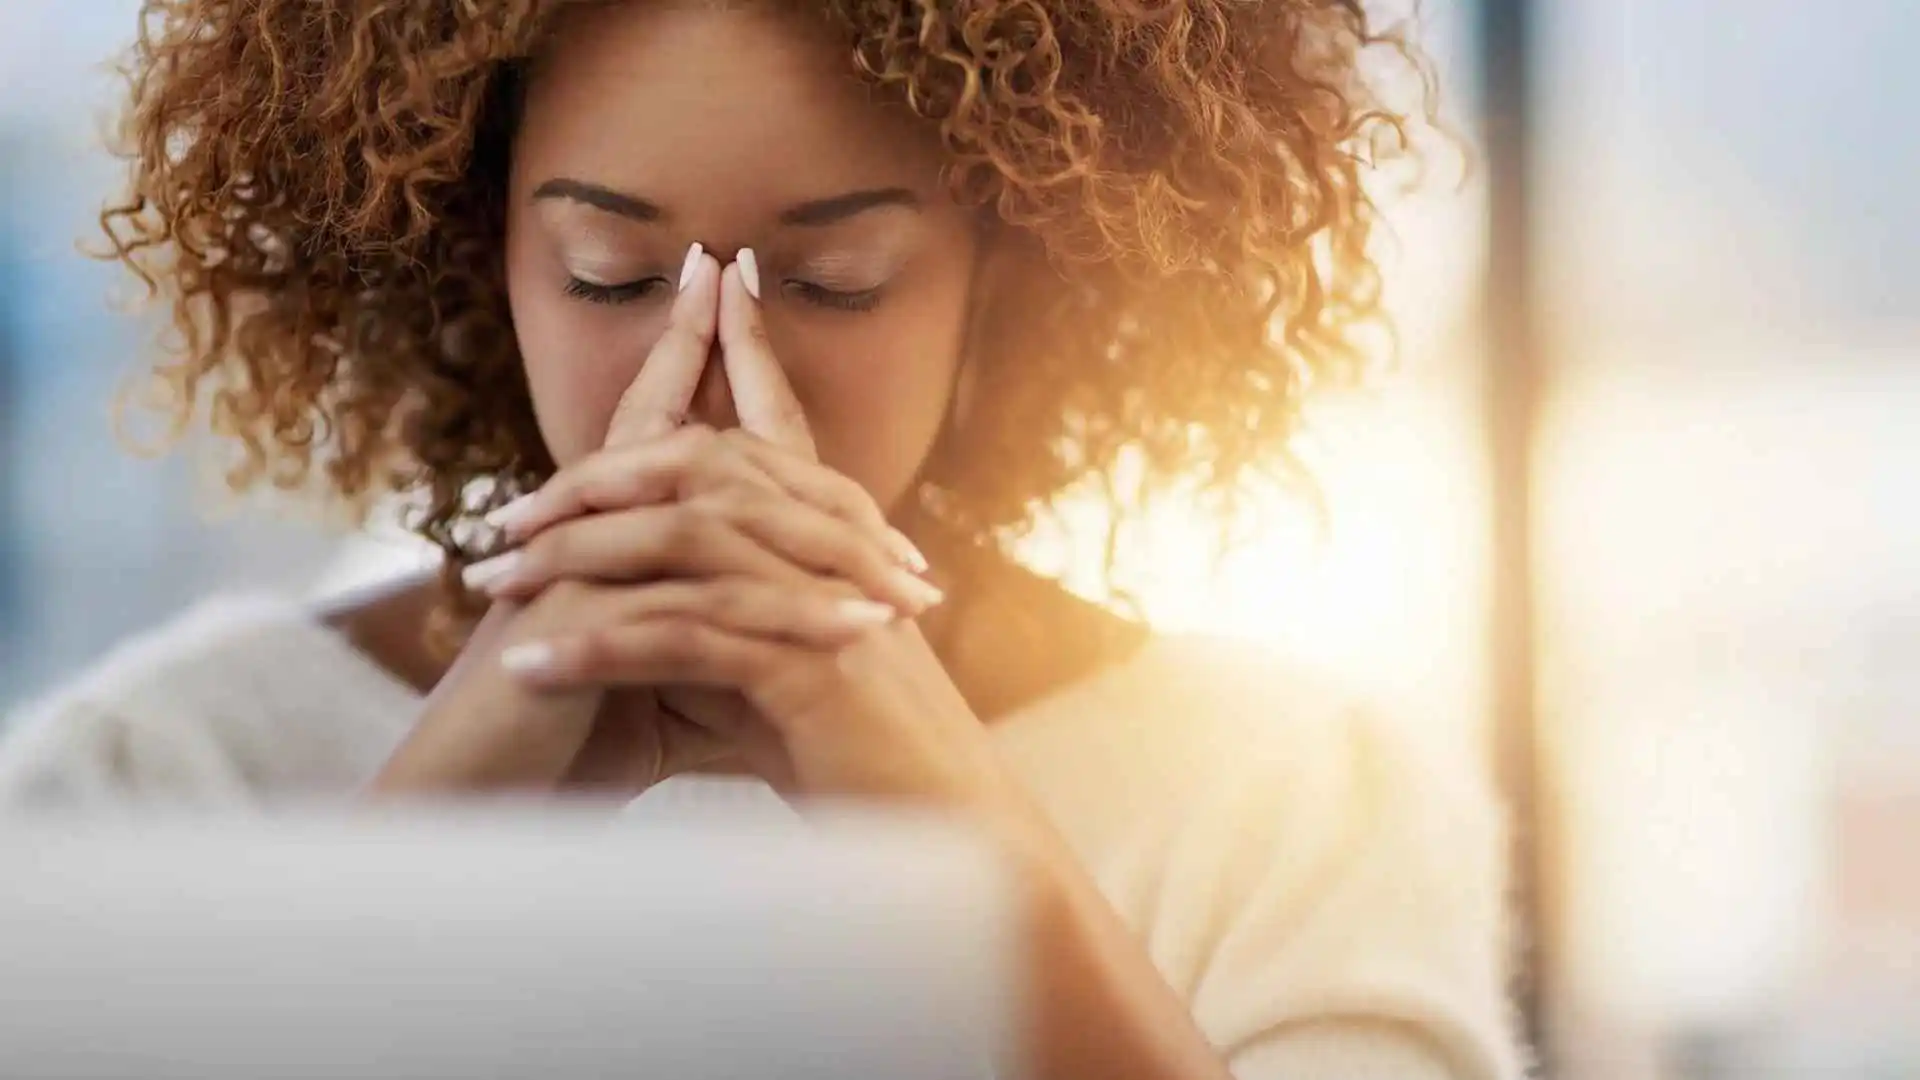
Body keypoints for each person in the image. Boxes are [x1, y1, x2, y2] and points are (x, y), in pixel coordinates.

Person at [0, 1, 1521, 1077]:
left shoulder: (1295, 807)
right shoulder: (156, 781)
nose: (719, 379)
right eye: (609, 276)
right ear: (480, 261)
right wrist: (445, 813)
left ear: (1008, 278)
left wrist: (934, 793)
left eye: (838, 280)